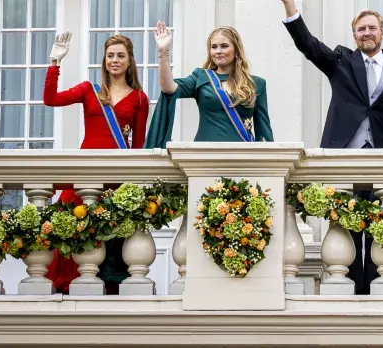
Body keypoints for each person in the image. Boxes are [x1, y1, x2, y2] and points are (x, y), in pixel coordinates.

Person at [265, 0, 383, 295]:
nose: (367, 33)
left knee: (382, 229)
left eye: (372, 27)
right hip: (344, 160)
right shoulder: (341, 61)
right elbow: (308, 45)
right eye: (361, 29)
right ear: (354, 35)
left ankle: (378, 294)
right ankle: (348, 293)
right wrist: (289, 4)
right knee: (345, 227)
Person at [43, 32, 149, 294]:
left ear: (129, 61)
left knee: (105, 238)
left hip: (114, 177)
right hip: (84, 171)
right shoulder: (89, 91)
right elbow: (50, 99)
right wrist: (55, 63)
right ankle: (64, 290)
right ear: (104, 60)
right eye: (110, 55)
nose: (115, 60)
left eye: (120, 56)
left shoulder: (139, 98)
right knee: (68, 228)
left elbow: (138, 146)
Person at [143, 23, 274, 148]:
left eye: (224, 46)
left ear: (236, 50)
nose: (218, 51)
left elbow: (263, 130)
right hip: (204, 153)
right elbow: (168, 87)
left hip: (242, 154)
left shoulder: (256, 84)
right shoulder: (201, 77)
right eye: (214, 47)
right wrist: (163, 51)